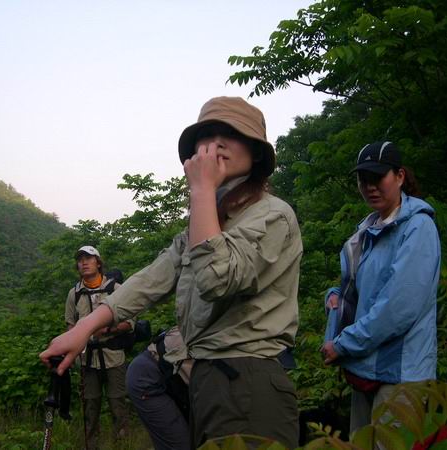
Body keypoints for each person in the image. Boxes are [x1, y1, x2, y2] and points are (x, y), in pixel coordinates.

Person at [42, 97, 302, 448]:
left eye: (231, 134)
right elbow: (153, 278)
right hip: (208, 374)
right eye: (206, 135)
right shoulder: (207, 220)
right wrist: (83, 329)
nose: (216, 143)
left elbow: (216, 279)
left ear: (256, 152)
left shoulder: (273, 215)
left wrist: (202, 190)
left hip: (248, 380)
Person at [321, 141, 441, 433]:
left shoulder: (418, 227)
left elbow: (398, 308)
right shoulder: (368, 229)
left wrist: (343, 344)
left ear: (399, 176)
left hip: (401, 376)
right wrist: (335, 298)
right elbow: (359, 289)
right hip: (366, 368)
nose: (370, 186)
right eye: (363, 179)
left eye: (377, 177)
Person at [65, 245, 133, 449]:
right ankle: (91, 446)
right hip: (87, 360)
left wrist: (107, 330)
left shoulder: (116, 289)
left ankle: (121, 445)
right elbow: (70, 326)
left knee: (117, 404)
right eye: (80, 260)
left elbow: (130, 323)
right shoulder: (74, 294)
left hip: (113, 356)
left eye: (89, 258)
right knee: (90, 407)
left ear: (98, 263)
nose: (84, 263)